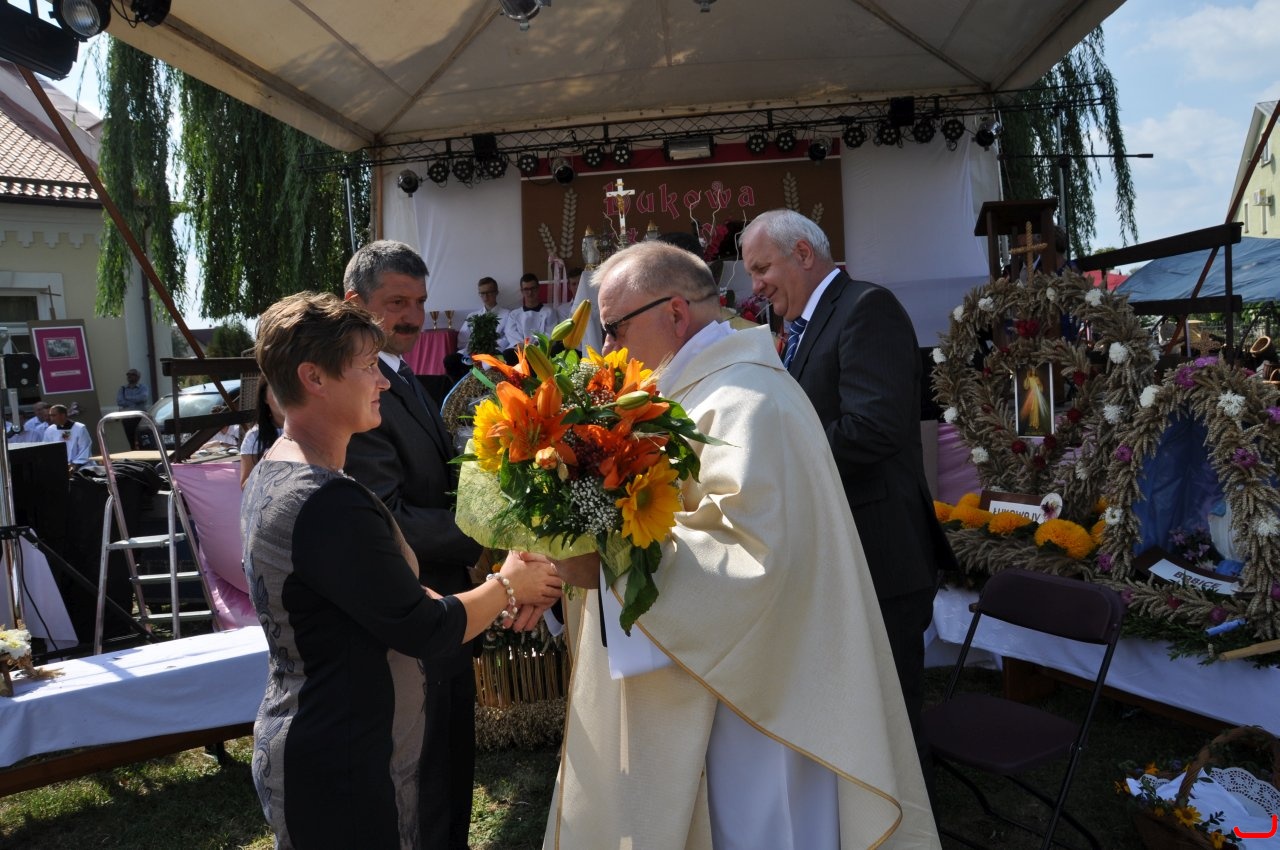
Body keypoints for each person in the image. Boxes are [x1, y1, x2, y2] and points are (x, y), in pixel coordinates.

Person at [546, 242, 937, 849]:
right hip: (723, 679)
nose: (609, 348)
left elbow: (751, 558)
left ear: (676, 313)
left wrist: (604, 564)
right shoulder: (702, 387)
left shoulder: (746, 400)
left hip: (762, 701)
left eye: (615, 327)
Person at [242, 291, 560, 850]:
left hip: (326, 735)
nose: (383, 382)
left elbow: (382, 597)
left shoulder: (279, 470)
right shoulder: (326, 500)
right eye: (368, 366)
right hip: (346, 755)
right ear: (314, 378)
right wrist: (510, 585)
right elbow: (424, 628)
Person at [741, 209, 957, 790]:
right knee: (857, 715)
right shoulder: (802, 326)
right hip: (840, 552)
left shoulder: (866, 308)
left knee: (892, 722)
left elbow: (874, 428)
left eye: (762, 268)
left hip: (881, 555)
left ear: (803, 254)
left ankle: (911, 823)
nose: (755, 285)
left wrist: (773, 460)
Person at [341, 240, 488, 850]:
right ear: (355, 303)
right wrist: (486, 534)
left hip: (445, 607)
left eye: (421, 302)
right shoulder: (359, 389)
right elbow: (388, 517)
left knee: (450, 763)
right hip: (413, 612)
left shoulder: (398, 371)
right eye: (396, 302)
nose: (413, 317)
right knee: (424, 777)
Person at [444, 276, 508, 382]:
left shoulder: (507, 314)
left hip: (494, 354)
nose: (486, 297)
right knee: (450, 360)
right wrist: (474, 347)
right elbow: (462, 340)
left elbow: (507, 338)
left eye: (489, 292)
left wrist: (490, 348)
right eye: (482, 293)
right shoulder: (473, 316)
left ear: (496, 292)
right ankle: (460, 390)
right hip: (473, 354)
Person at [497, 272, 556, 360]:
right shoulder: (514, 314)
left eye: (533, 288)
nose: (530, 292)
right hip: (520, 350)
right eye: (526, 289)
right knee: (508, 354)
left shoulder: (549, 312)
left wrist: (535, 345)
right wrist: (522, 345)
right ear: (522, 291)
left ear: (538, 289)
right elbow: (510, 332)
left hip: (540, 350)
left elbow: (550, 333)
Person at [239, 380, 283, 487]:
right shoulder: (254, 436)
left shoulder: (313, 428)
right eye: (277, 391)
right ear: (265, 398)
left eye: (290, 390)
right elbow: (245, 486)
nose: (284, 397)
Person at [42, 403, 92, 472]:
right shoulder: (50, 430)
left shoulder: (79, 428)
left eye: (54, 415)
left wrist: (75, 465)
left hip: (80, 466)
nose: (51, 418)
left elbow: (85, 448)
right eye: (50, 415)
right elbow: (47, 450)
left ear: (63, 415)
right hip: (59, 466)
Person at [117, 368, 151, 448]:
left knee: (142, 437)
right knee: (130, 438)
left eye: (132, 374)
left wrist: (127, 398)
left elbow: (143, 398)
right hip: (127, 418)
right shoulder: (122, 388)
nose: (129, 376)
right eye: (128, 375)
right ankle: (133, 451)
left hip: (139, 417)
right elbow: (120, 401)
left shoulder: (143, 387)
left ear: (138, 377)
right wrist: (135, 400)